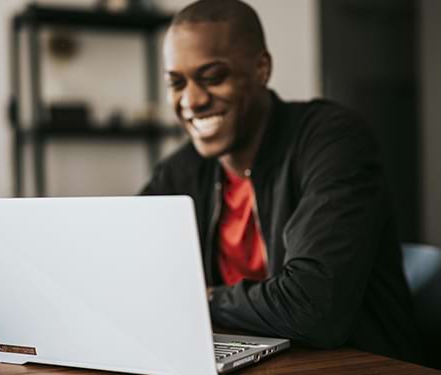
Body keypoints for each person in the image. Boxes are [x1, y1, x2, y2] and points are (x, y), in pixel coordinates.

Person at [141, 0, 422, 364]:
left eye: (213, 77)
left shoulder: (333, 141)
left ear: (261, 68)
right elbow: (130, 273)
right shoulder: (182, 170)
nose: (191, 100)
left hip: (356, 364)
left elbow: (311, 308)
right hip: (251, 360)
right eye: (176, 83)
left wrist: (203, 298)